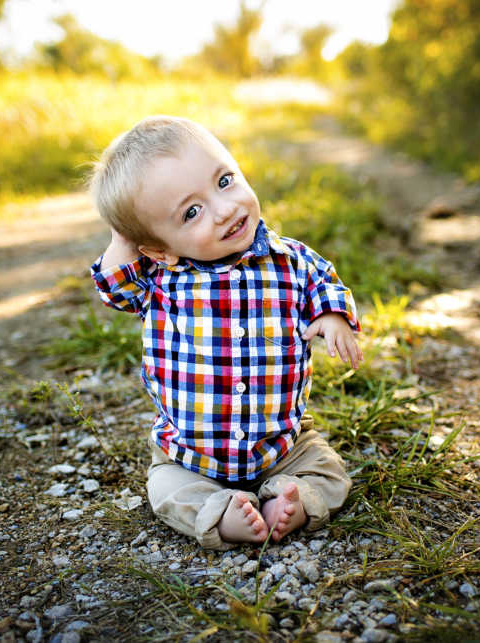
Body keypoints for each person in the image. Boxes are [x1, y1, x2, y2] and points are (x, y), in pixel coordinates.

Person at [89, 115, 362, 550]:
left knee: (329, 472)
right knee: (165, 490)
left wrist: (333, 317)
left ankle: (288, 499)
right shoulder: (159, 280)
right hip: (190, 456)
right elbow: (112, 285)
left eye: (225, 180)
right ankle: (221, 512)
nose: (225, 209)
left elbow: (324, 282)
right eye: (191, 212)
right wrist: (125, 232)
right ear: (159, 249)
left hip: (282, 445)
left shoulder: (289, 260)